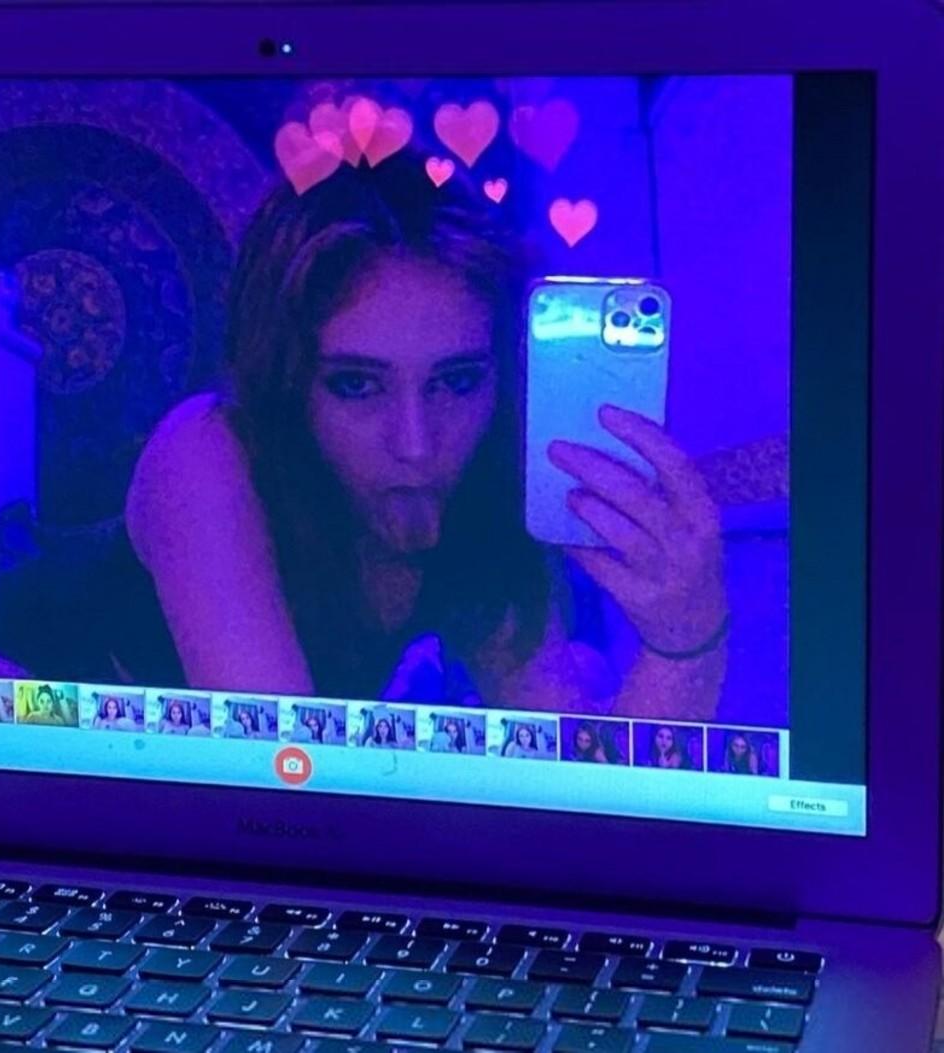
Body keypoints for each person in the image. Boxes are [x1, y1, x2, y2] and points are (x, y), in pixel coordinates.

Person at [126, 146, 728, 721]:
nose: (415, 445)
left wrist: (685, 642)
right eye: (356, 385)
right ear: (287, 382)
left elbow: (572, 770)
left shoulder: (480, 495)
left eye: (457, 382)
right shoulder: (203, 453)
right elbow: (282, 770)